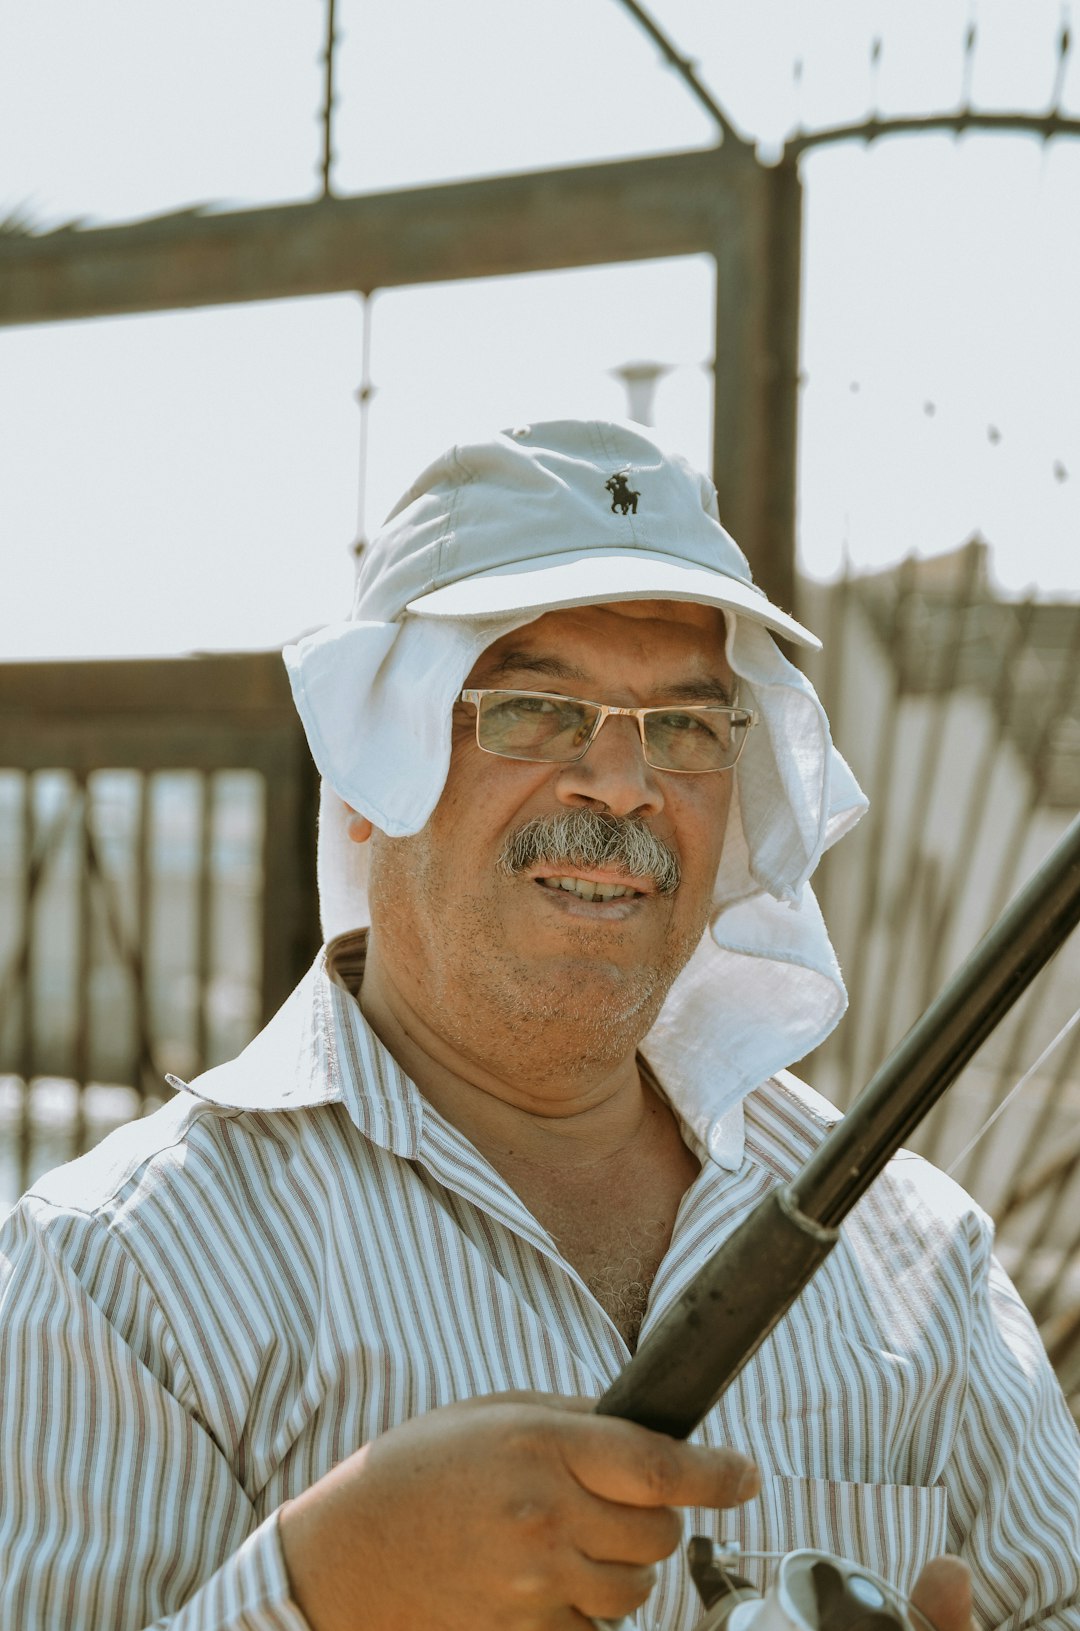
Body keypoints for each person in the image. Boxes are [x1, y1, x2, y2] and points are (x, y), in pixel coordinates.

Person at [0, 420, 1076, 1631]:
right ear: (365, 776)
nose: (622, 784)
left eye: (683, 726)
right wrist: (323, 1586)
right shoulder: (123, 1273)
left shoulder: (918, 1256)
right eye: (533, 708)